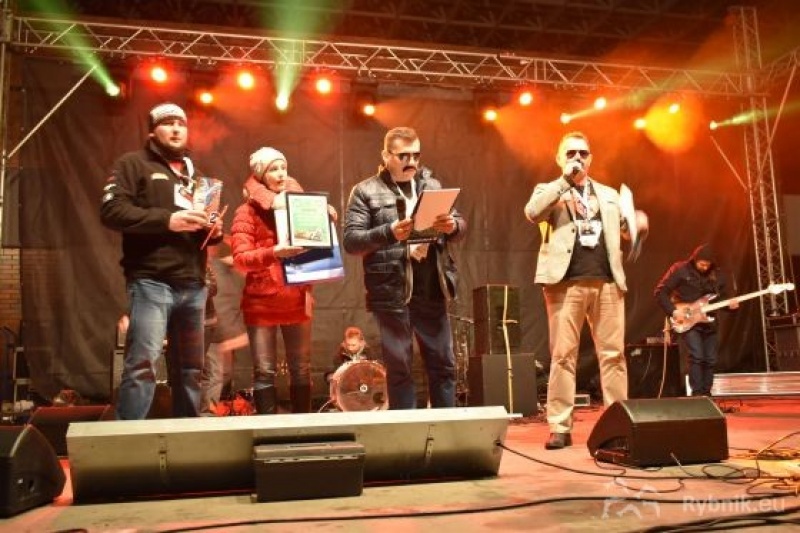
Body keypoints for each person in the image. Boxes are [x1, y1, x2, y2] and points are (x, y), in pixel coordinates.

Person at [523, 131, 648, 449]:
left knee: (614, 356)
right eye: (570, 153)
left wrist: (636, 225)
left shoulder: (609, 194)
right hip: (566, 284)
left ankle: (618, 427)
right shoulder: (549, 190)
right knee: (563, 356)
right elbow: (533, 212)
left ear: (591, 158)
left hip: (607, 282)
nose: (577, 158)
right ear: (559, 158)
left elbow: (623, 232)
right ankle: (560, 426)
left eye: (583, 153)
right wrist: (565, 181)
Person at [100, 102, 222, 420]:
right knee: (142, 365)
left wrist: (213, 230)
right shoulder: (132, 164)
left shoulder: (196, 176)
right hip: (152, 281)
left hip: (194, 285)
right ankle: (128, 439)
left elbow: (202, 231)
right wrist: (168, 220)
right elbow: (111, 210)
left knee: (191, 370)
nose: (176, 129)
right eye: (168, 123)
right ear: (153, 132)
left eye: (181, 124)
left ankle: (187, 438)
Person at [343, 126, 466, 410]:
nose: (411, 162)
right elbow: (351, 241)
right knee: (399, 368)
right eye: (403, 156)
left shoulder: (432, 185)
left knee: (443, 364)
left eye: (416, 155)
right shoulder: (366, 191)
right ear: (386, 156)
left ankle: (445, 427)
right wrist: (389, 232)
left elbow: (459, 225)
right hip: (391, 290)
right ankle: (406, 430)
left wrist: (453, 226)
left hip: (432, 285)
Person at [231, 147, 336, 414]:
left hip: (296, 297)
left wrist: (324, 220)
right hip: (261, 302)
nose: (280, 174)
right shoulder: (247, 212)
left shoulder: (302, 206)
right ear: (260, 174)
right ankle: (268, 427)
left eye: (283, 168)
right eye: (273, 169)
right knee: (264, 370)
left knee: (301, 368)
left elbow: (315, 246)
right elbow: (241, 259)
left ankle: (303, 425)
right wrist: (274, 253)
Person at [654, 244, 738, 397]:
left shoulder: (717, 275)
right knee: (697, 356)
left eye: (707, 265)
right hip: (689, 320)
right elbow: (661, 292)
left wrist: (731, 306)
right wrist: (673, 311)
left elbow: (721, 300)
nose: (704, 267)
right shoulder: (680, 269)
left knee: (710, 359)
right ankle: (697, 394)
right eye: (701, 264)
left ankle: (707, 393)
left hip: (709, 321)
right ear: (694, 259)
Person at [200, 238, 249, 415]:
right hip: (207, 329)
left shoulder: (220, 266)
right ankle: (205, 413)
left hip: (217, 330)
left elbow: (241, 262)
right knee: (213, 375)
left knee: (219, 374)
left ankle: (206, 411)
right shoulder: (200, 266)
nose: (212, 249)